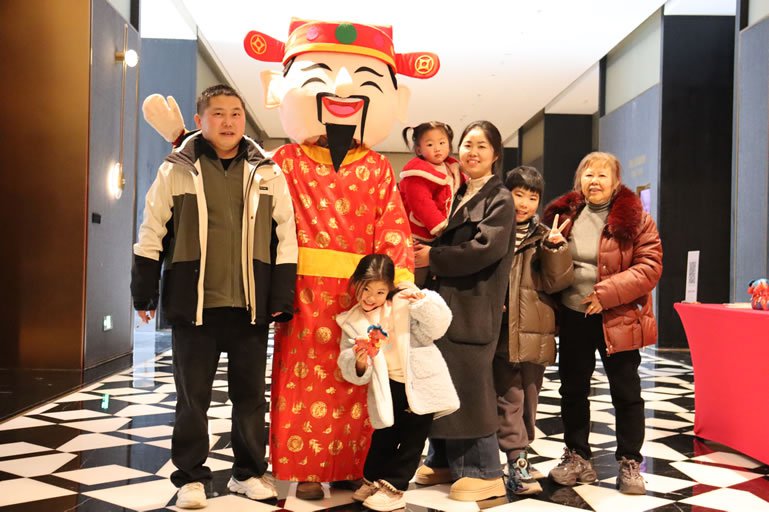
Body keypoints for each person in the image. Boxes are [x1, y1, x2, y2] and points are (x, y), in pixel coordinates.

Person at [143, 18, 442, 500]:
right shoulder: (282, 162)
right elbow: (226, 170)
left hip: (361, 296)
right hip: (299, 294)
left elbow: (392, 226)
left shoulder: (376, 168)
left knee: (357, 378)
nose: (342, 88)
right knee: (300, 383)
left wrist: (397, 284)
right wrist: (181, 137)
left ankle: (351, 466)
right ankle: (304, 470)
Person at [131, 85, 298, 509]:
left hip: (249, 307)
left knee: (250, 399)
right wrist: (144, 293)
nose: (228, 121)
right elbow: (152, 230)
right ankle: (190, 478)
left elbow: (286, 236)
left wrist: (281, 296)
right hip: (195, 307)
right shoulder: (177, 169)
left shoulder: (267, 171)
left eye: (236, 113)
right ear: (200, 120)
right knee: (192, 401)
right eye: (218, 113)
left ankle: (248, 473)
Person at [542, 151, 663, 495]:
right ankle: (577, 456)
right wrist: (552, 249)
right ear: (579, 180)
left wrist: (605, 295)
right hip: (573, 313)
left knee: (626, 392)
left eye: (602, 175)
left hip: (617, 315)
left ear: (615, 182)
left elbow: (649, 267)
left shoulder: (636, 219)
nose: (594, 181)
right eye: (588, 174)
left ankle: (629, 462)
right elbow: (546, 266)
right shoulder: (564, 216)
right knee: (573, 390)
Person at [413, 120, 515, 502]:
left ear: (495, 154)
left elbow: (485, 249)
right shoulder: (460, 192)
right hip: (449, 308)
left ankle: (483, 471)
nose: (473, 152)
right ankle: (443, 460)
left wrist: (434, 257)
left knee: (471, 386)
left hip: (474, 309)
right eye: (468, 145)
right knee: (443, 381)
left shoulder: (500, 198)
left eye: (482, 146)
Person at [336, 254, 458, 511]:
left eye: (380, 292)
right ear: (356, 283)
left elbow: (438, 327)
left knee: (413, 439)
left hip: (420, 382)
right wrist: (359, 361)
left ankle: (395, 487)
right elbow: (349, 363)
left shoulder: (404, 304)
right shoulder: (352, 320)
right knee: (384, 434)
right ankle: (372, 480)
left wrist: (423, 302)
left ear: (389, 288)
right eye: (366, 289)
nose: (371, 297)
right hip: (387, 385)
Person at [492, 166, 573, 496]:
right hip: (502, 331)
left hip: (535, 330)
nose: (524, 203)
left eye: (532, 197)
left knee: (529, 398)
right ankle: (517, 460)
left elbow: (557, 282)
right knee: (509, 396)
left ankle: (521, 454)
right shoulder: (494, 230)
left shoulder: (544, 236)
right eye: (518, 194)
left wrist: (555, 249)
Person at [398, 122, 464, 286]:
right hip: (419, 235)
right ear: (419, 150)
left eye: (442, 143)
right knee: (415, 281)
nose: (437, 148)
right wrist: (441, 227)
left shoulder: (452, 169)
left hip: (439, 238)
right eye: (430, 144)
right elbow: (421, 204)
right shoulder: (417, 173)